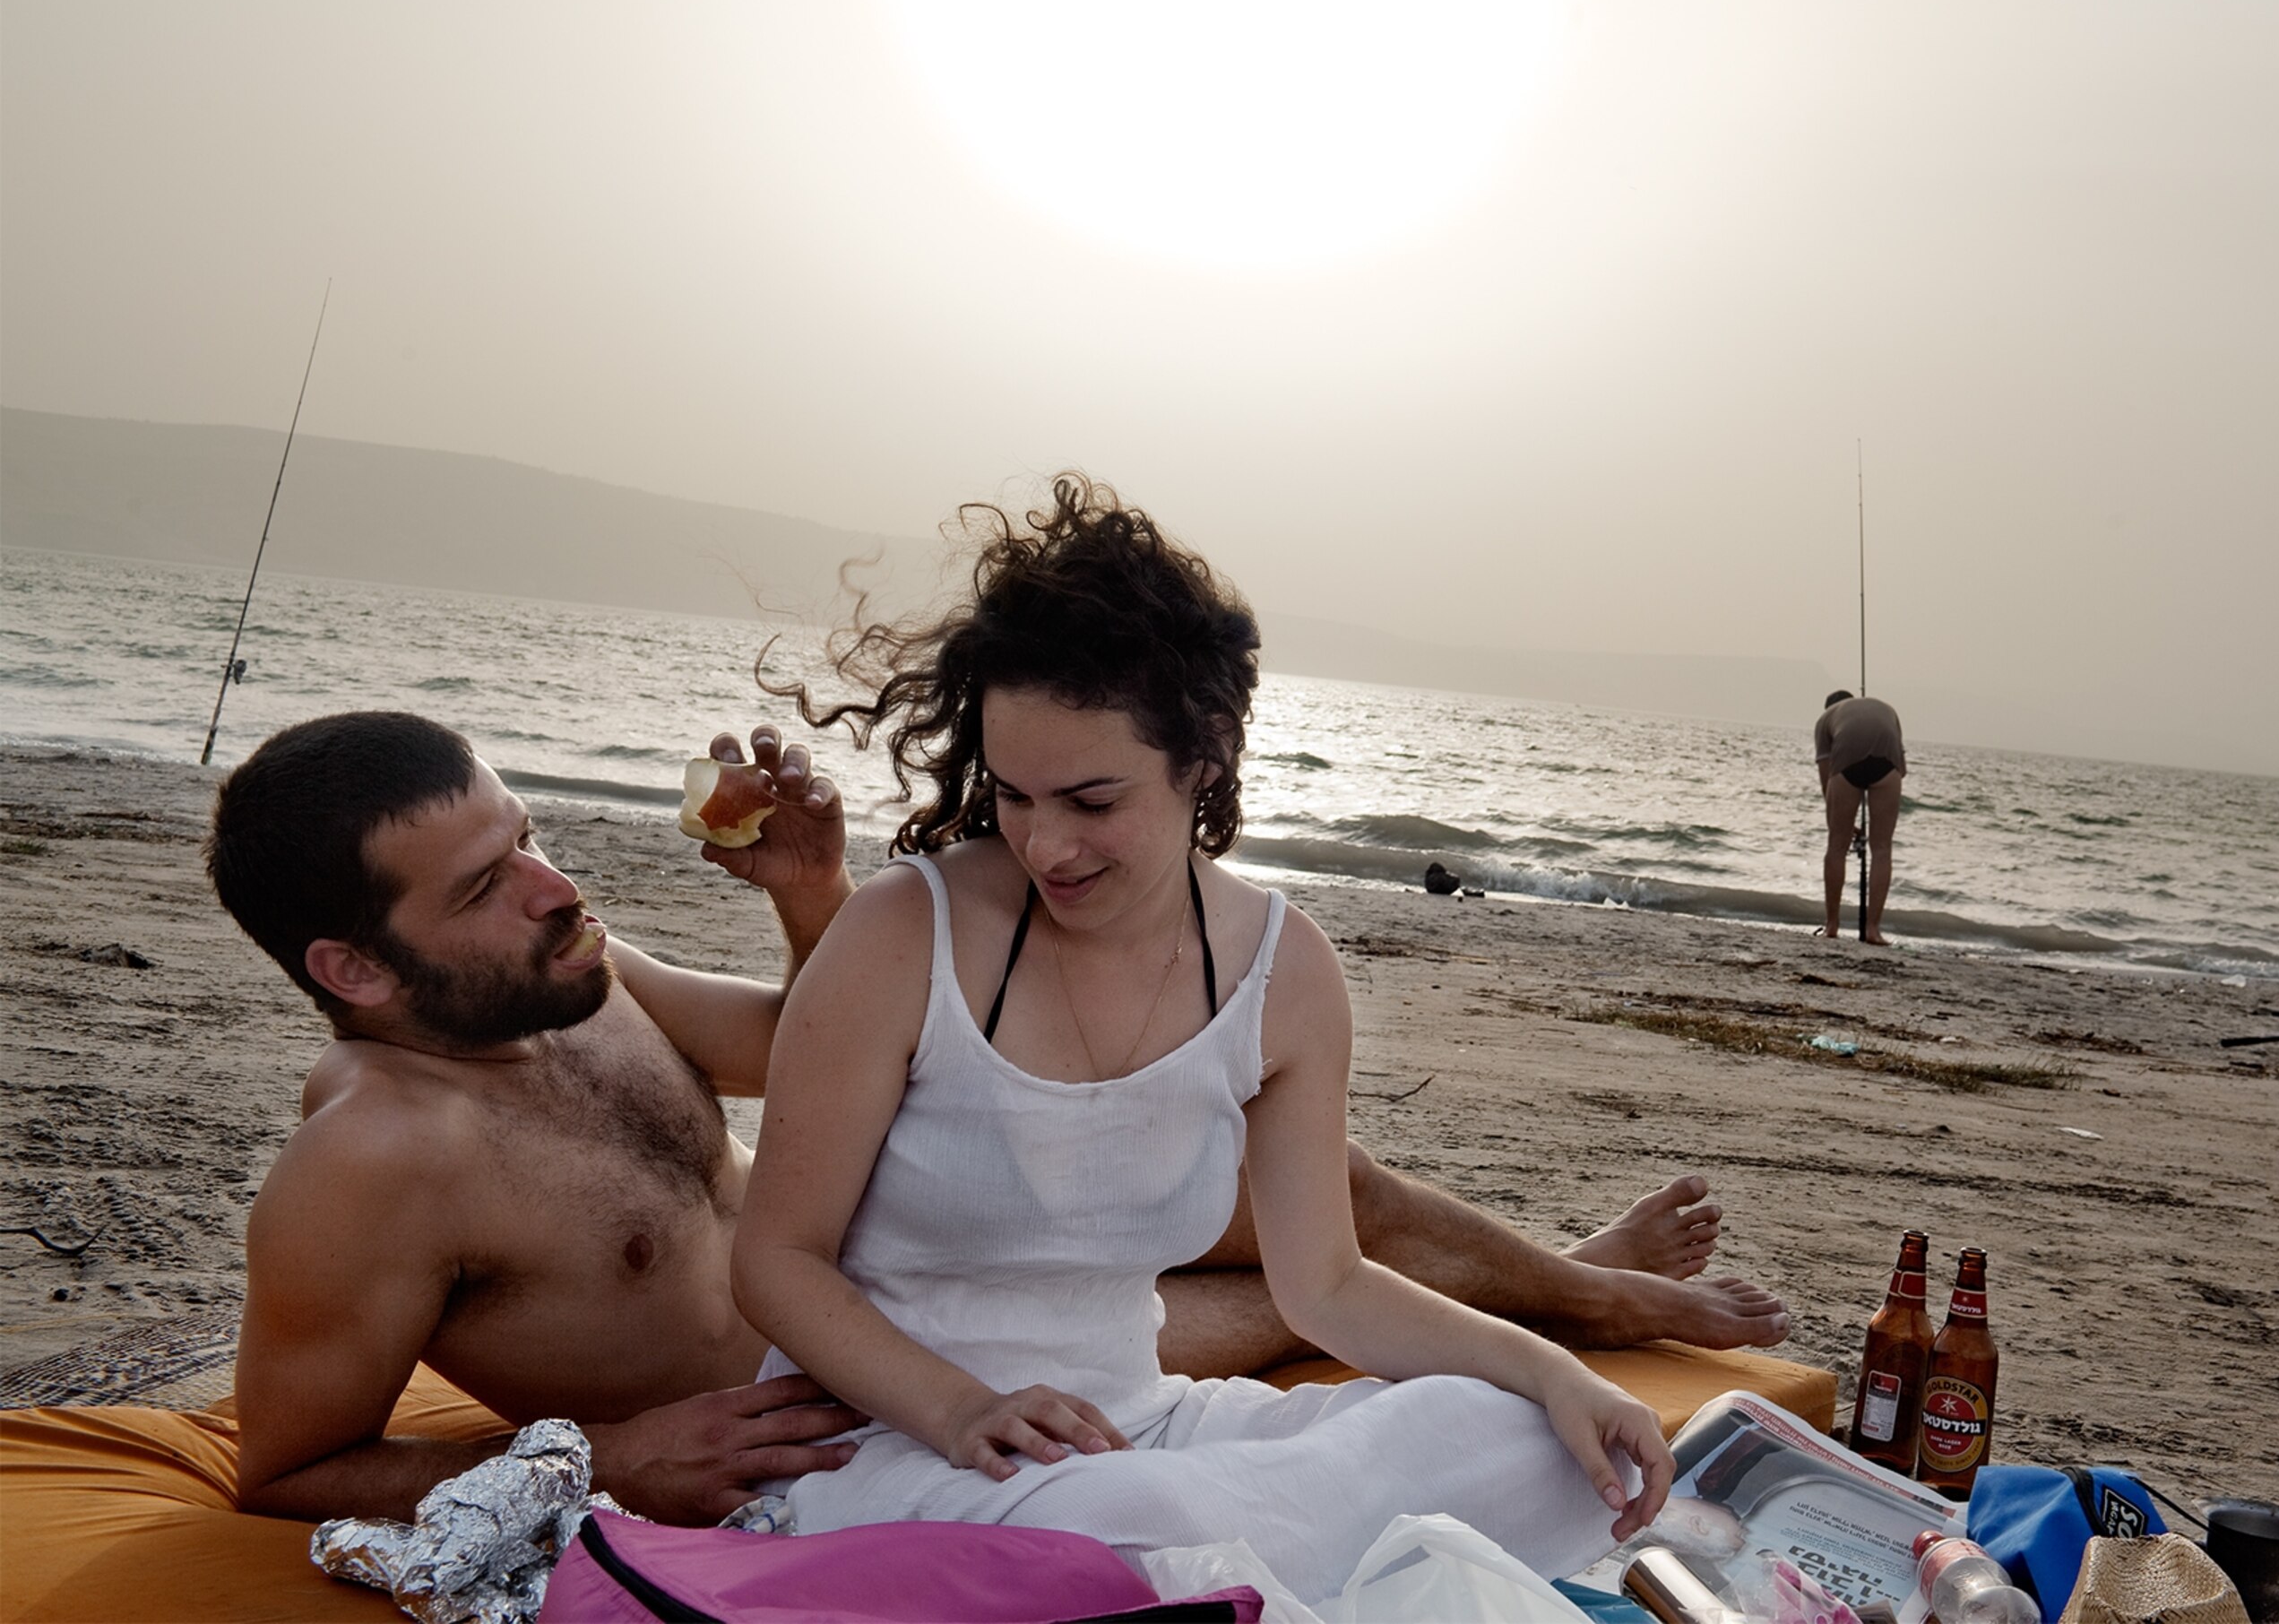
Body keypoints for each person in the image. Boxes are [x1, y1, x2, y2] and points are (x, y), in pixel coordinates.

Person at [206, 710, 1780, 1527]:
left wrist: (813, 896)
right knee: (1230, 1295)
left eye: (530, 840)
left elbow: (809, 1051)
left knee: (1289, 1177)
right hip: (843, 1401)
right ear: (355, 967)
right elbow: (281, 1468)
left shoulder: (563, 973)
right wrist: (605, 1455)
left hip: (891, 1272)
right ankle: (1563, 1292)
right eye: (487, 884)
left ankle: (1585, 1285)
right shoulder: (370, 1164)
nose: (559, 888)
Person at [732, 479, 1677, 1600]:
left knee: (1524, 1433)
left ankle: (1246, 1560)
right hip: (898, 1447)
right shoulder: (904, 934)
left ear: (1207, 754)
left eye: (1091, 798)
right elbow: (775, 1259)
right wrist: (962, 1408)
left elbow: (1326, 1285)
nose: (1043, 843)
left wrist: (1556, 1371)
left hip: (1143, 1433)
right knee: (1150, 1529)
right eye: (1018, 794)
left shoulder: (1286, 973)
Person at [1814, 689, 1905, 944]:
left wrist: (1839, 819)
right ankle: (1873, 930)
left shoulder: (1825, 720)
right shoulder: (1887, 709)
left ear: (1829, 708)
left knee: (1836, 846)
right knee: (1882, 848)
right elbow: (1903, 770)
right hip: (1888, 765)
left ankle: (1832, 926)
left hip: (1847, 765)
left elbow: (1826, 778)